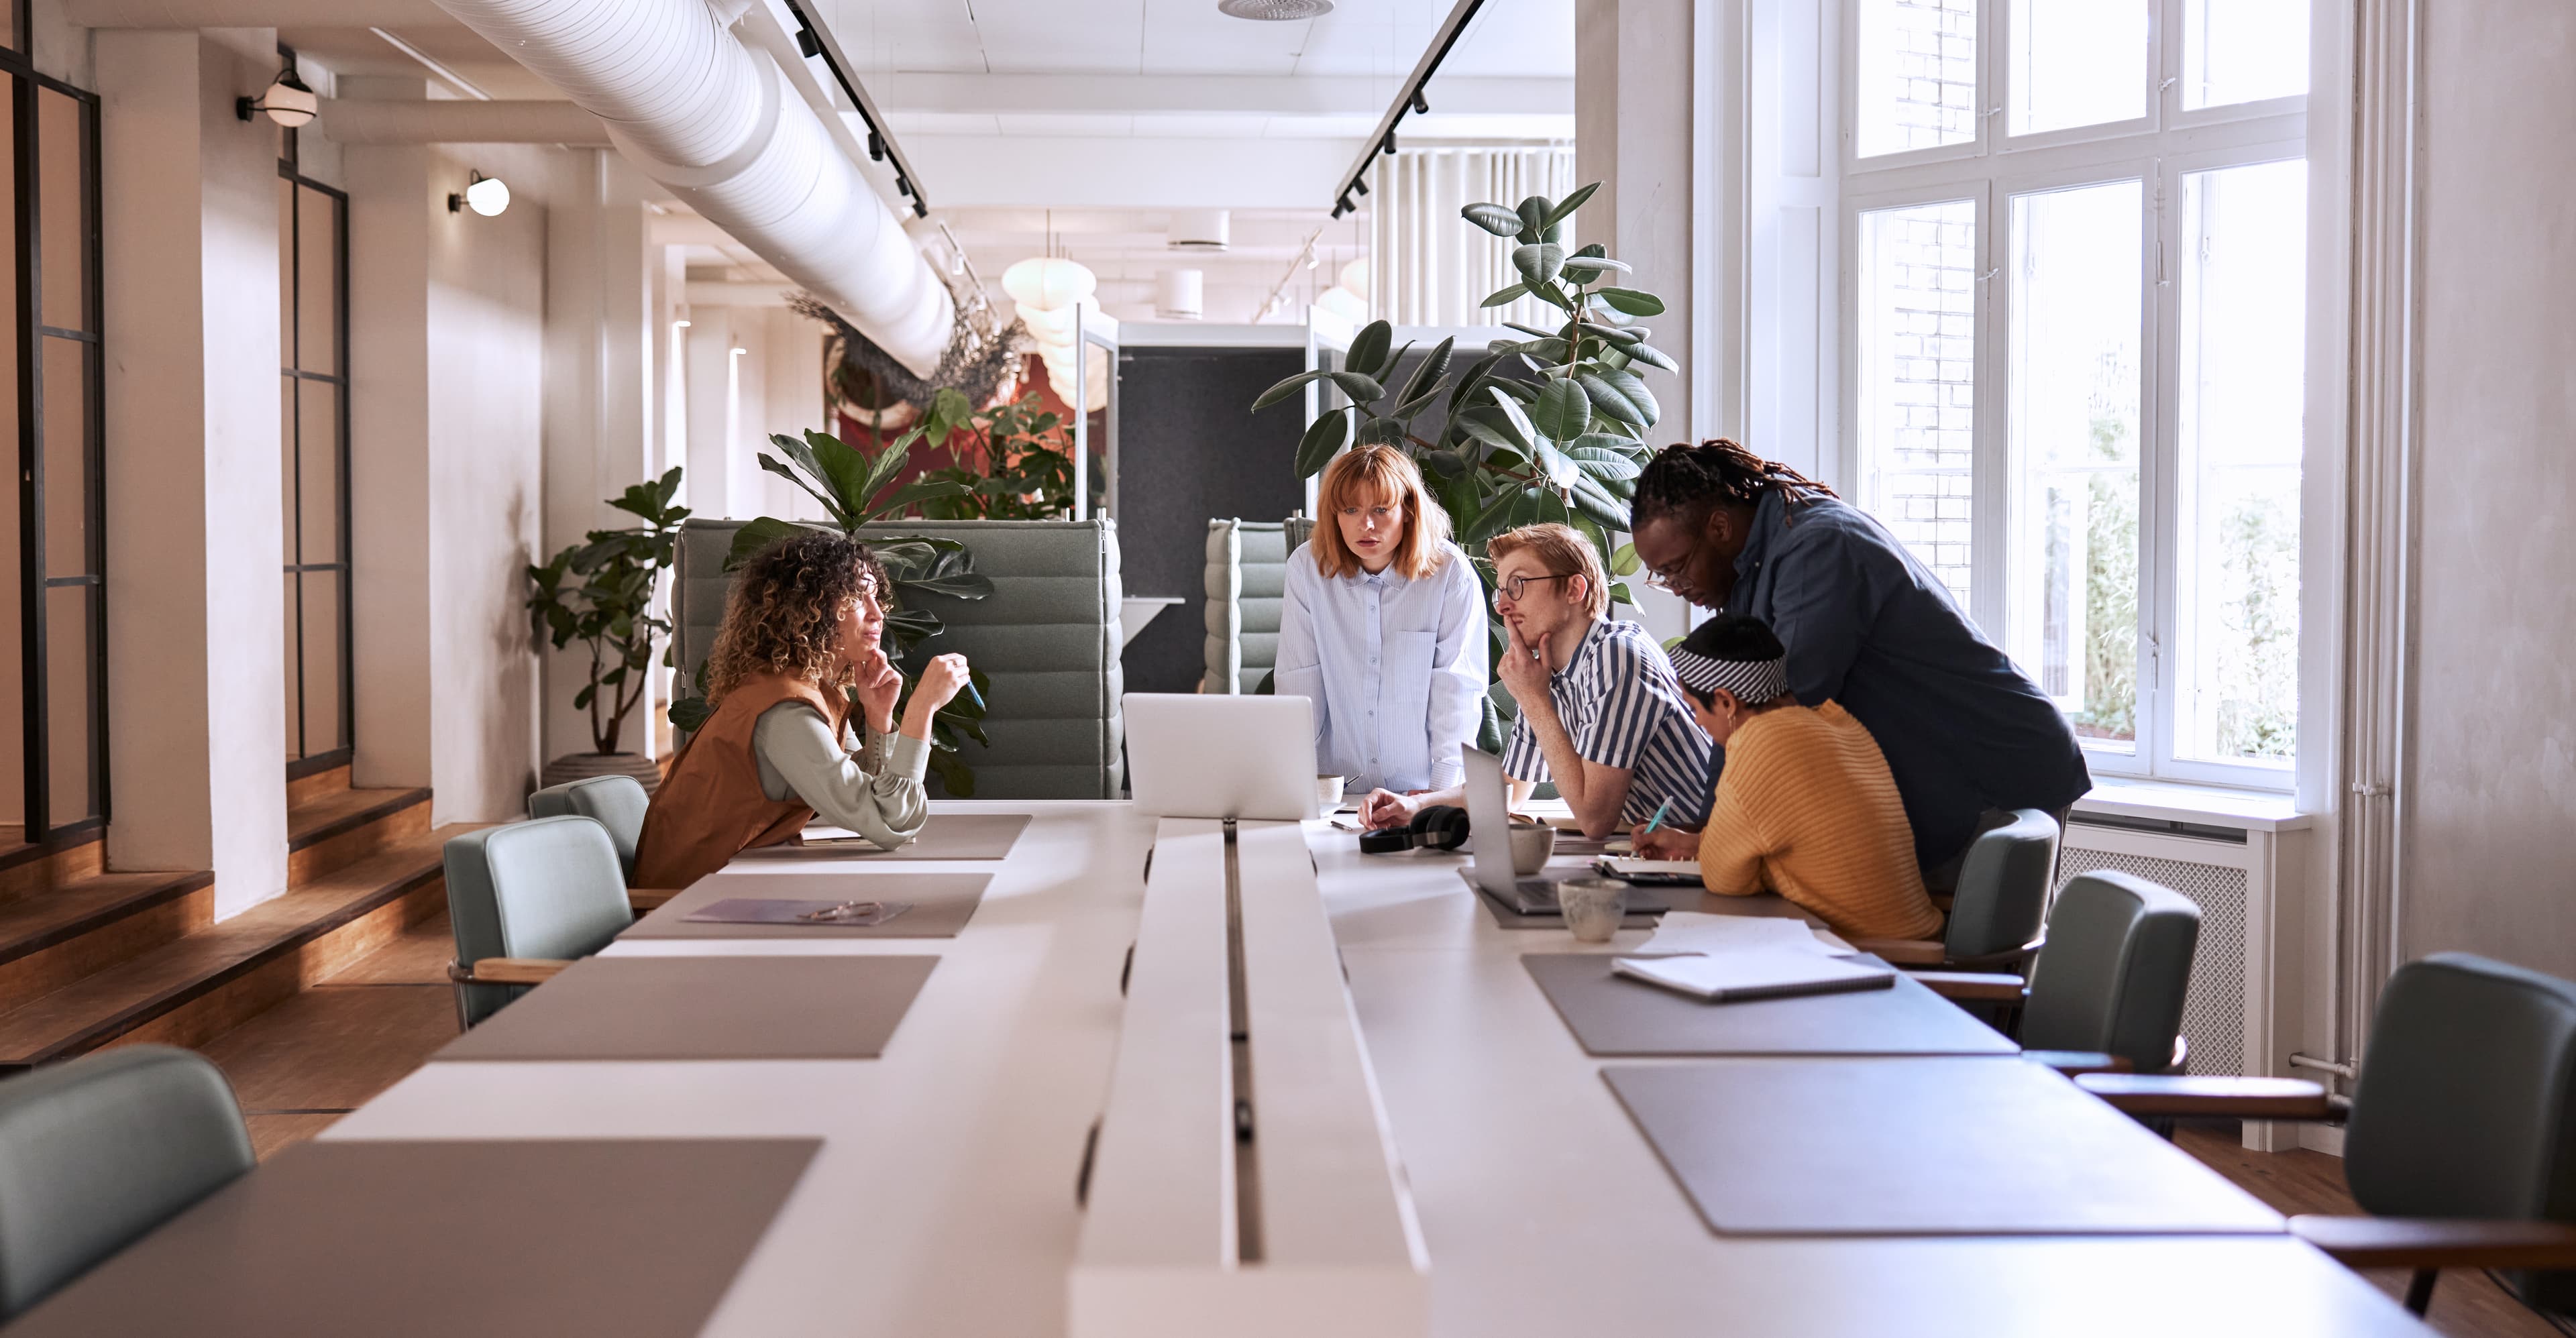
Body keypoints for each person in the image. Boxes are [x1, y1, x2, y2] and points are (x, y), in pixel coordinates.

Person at [1625, 439, 2090, 883]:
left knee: (1960, 952)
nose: (1676, 586)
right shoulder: (1753, 570)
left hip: (1992, 771)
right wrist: (1705, 831)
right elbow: (1739, 718)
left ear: (1720, 528)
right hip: (1951, 775)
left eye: (1675, 568)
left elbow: (1780, 719)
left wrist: (1716, 838)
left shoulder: (1817, 548)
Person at [633, 531, 971, 889]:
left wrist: (879, 718)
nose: (877, 614)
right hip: (688, 907)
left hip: (736, 886)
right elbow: (889, 823)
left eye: (876, 598)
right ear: (809, 609)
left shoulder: (809, 690)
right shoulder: (786, 709)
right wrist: (922, 709)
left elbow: (860, 795)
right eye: (857, 597)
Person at [1361, 522, 1710, 840]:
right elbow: (1511, 788)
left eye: (1518, 585)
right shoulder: (1549, 675)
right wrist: (1417, 808)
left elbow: (1595, 819)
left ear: (1575, 589)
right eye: (1501, 591)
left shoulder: (1617, 655)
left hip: (1708, 856)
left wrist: (1533, 699)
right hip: (1654, 849)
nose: (1503, 607)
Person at [1631, 616, 1943, 941]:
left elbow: (1726, 880)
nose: (1697, 721)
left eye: (1695, 707)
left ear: (1726, 702)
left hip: (1869, 956)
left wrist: (1728, 860)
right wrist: (1691, 844)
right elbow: (1800, 848)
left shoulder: (1759, 744)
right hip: (1918, 938)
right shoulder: (1837, 724)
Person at [1276, 444, 1488, 797]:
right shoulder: (1307, 568)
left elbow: (1457, 692)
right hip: (1337, 795)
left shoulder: (1451, 574)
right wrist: (1295, 793)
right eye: (1351, 509)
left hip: (1420, 795)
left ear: (1407, 509)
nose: (1366, 524)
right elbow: (1300, 684)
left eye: (1381, 509)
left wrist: (1437, 801)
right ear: (1335, 514)